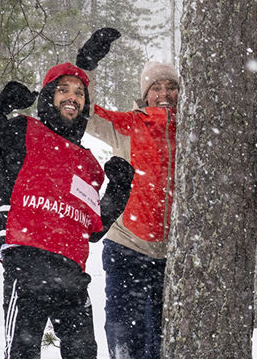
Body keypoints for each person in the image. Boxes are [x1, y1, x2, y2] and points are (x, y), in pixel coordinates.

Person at [0, 29, 134, 359]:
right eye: (63, 89)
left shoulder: (88, 163)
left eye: (79, 92)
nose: (72, 96)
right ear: (48, 95)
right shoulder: (23, 130)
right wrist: (0, 106)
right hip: (27, 264)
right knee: (23, 353)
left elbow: (93, 227)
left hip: (73, 274)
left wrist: (120, 188)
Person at [83, 61, 179, 359]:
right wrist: (87, 68)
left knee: (162, 342)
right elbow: (86, 112)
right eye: (156, 88)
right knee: (126, 336)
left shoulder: (194, 130)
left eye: (171, 87)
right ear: (145, 94)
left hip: (172, 254)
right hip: (127, 245)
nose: (164, 93)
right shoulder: (129, 123)